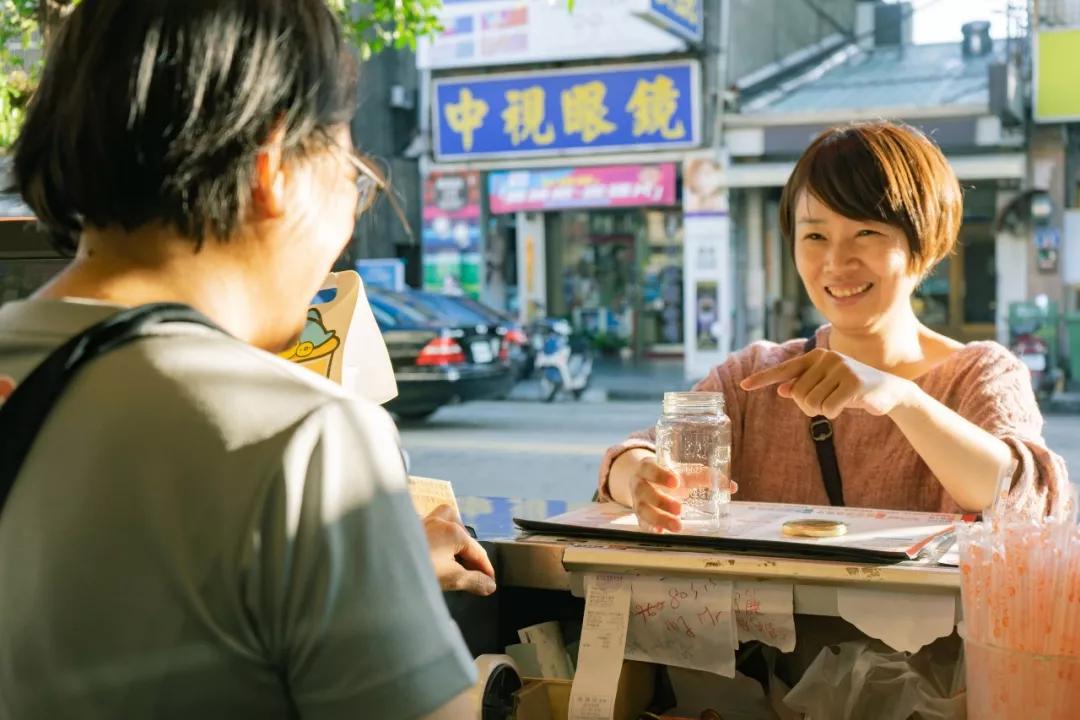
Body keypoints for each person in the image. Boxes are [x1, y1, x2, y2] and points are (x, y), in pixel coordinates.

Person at [0, 1, 490, 717]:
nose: (350, 219)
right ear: (274, 171)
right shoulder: (305, 440)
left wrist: (369, 568)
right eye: (352, 177)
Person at [600, 122, 1068, 532]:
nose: (836, 262)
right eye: (815, 236)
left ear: (923, 243)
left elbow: (1025, 499)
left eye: (867, 232)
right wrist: (641, 477)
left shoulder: (980, 376)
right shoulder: (756, 376)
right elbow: (633, 455)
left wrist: (901, 398)